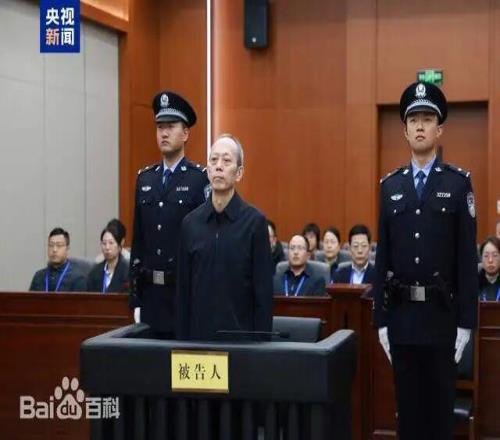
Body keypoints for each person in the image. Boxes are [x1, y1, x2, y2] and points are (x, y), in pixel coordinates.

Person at [373, 82, 478, 440]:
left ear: (439, 129)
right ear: (405, 130)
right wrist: (381, 321)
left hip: (441, 319)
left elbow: (466, 260)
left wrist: (466, 324)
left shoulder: (458, 184)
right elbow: (383, 257)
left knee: (439, 417)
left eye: (427, 119)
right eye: (413, 119)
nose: (420, 126)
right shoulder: (390, 186)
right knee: (408, 415)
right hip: (403, 320)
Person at [176, 134, 273, 341]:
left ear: (239, 173)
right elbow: (183, 294)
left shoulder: (254, 223)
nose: (219, 166)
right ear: (208, 170)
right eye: (213, 160)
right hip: (198, 343)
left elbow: (263, 296)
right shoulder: (190, 224)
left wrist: (261, 350)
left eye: (226, 161)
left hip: (241, 344)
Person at [129, 91, 209, 337]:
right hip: (151, 296)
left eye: (170, 127)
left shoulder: (198, 179)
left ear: (185, 133)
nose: (163, 133)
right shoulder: (145, 179)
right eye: (159, 127)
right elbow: (138, 241)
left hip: (184, 294)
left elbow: (204, 244)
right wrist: (135, 298)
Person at [29, 227, 86, 292]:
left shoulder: (78, 278)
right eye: (51, 245)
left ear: (67, 249)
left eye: (59, 245)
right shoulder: (38, 276)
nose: (54, 250)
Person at [87, 224, 130, 293]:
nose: (107, 247)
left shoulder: (128, 272)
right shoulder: (94, 272)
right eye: (104, 243)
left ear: (119, 245)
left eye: (111, 243)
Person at [478, 236, 500, 301]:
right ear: (481, 259)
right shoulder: (473, 282)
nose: (490, 260)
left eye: (495, 255)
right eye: (486, 256)